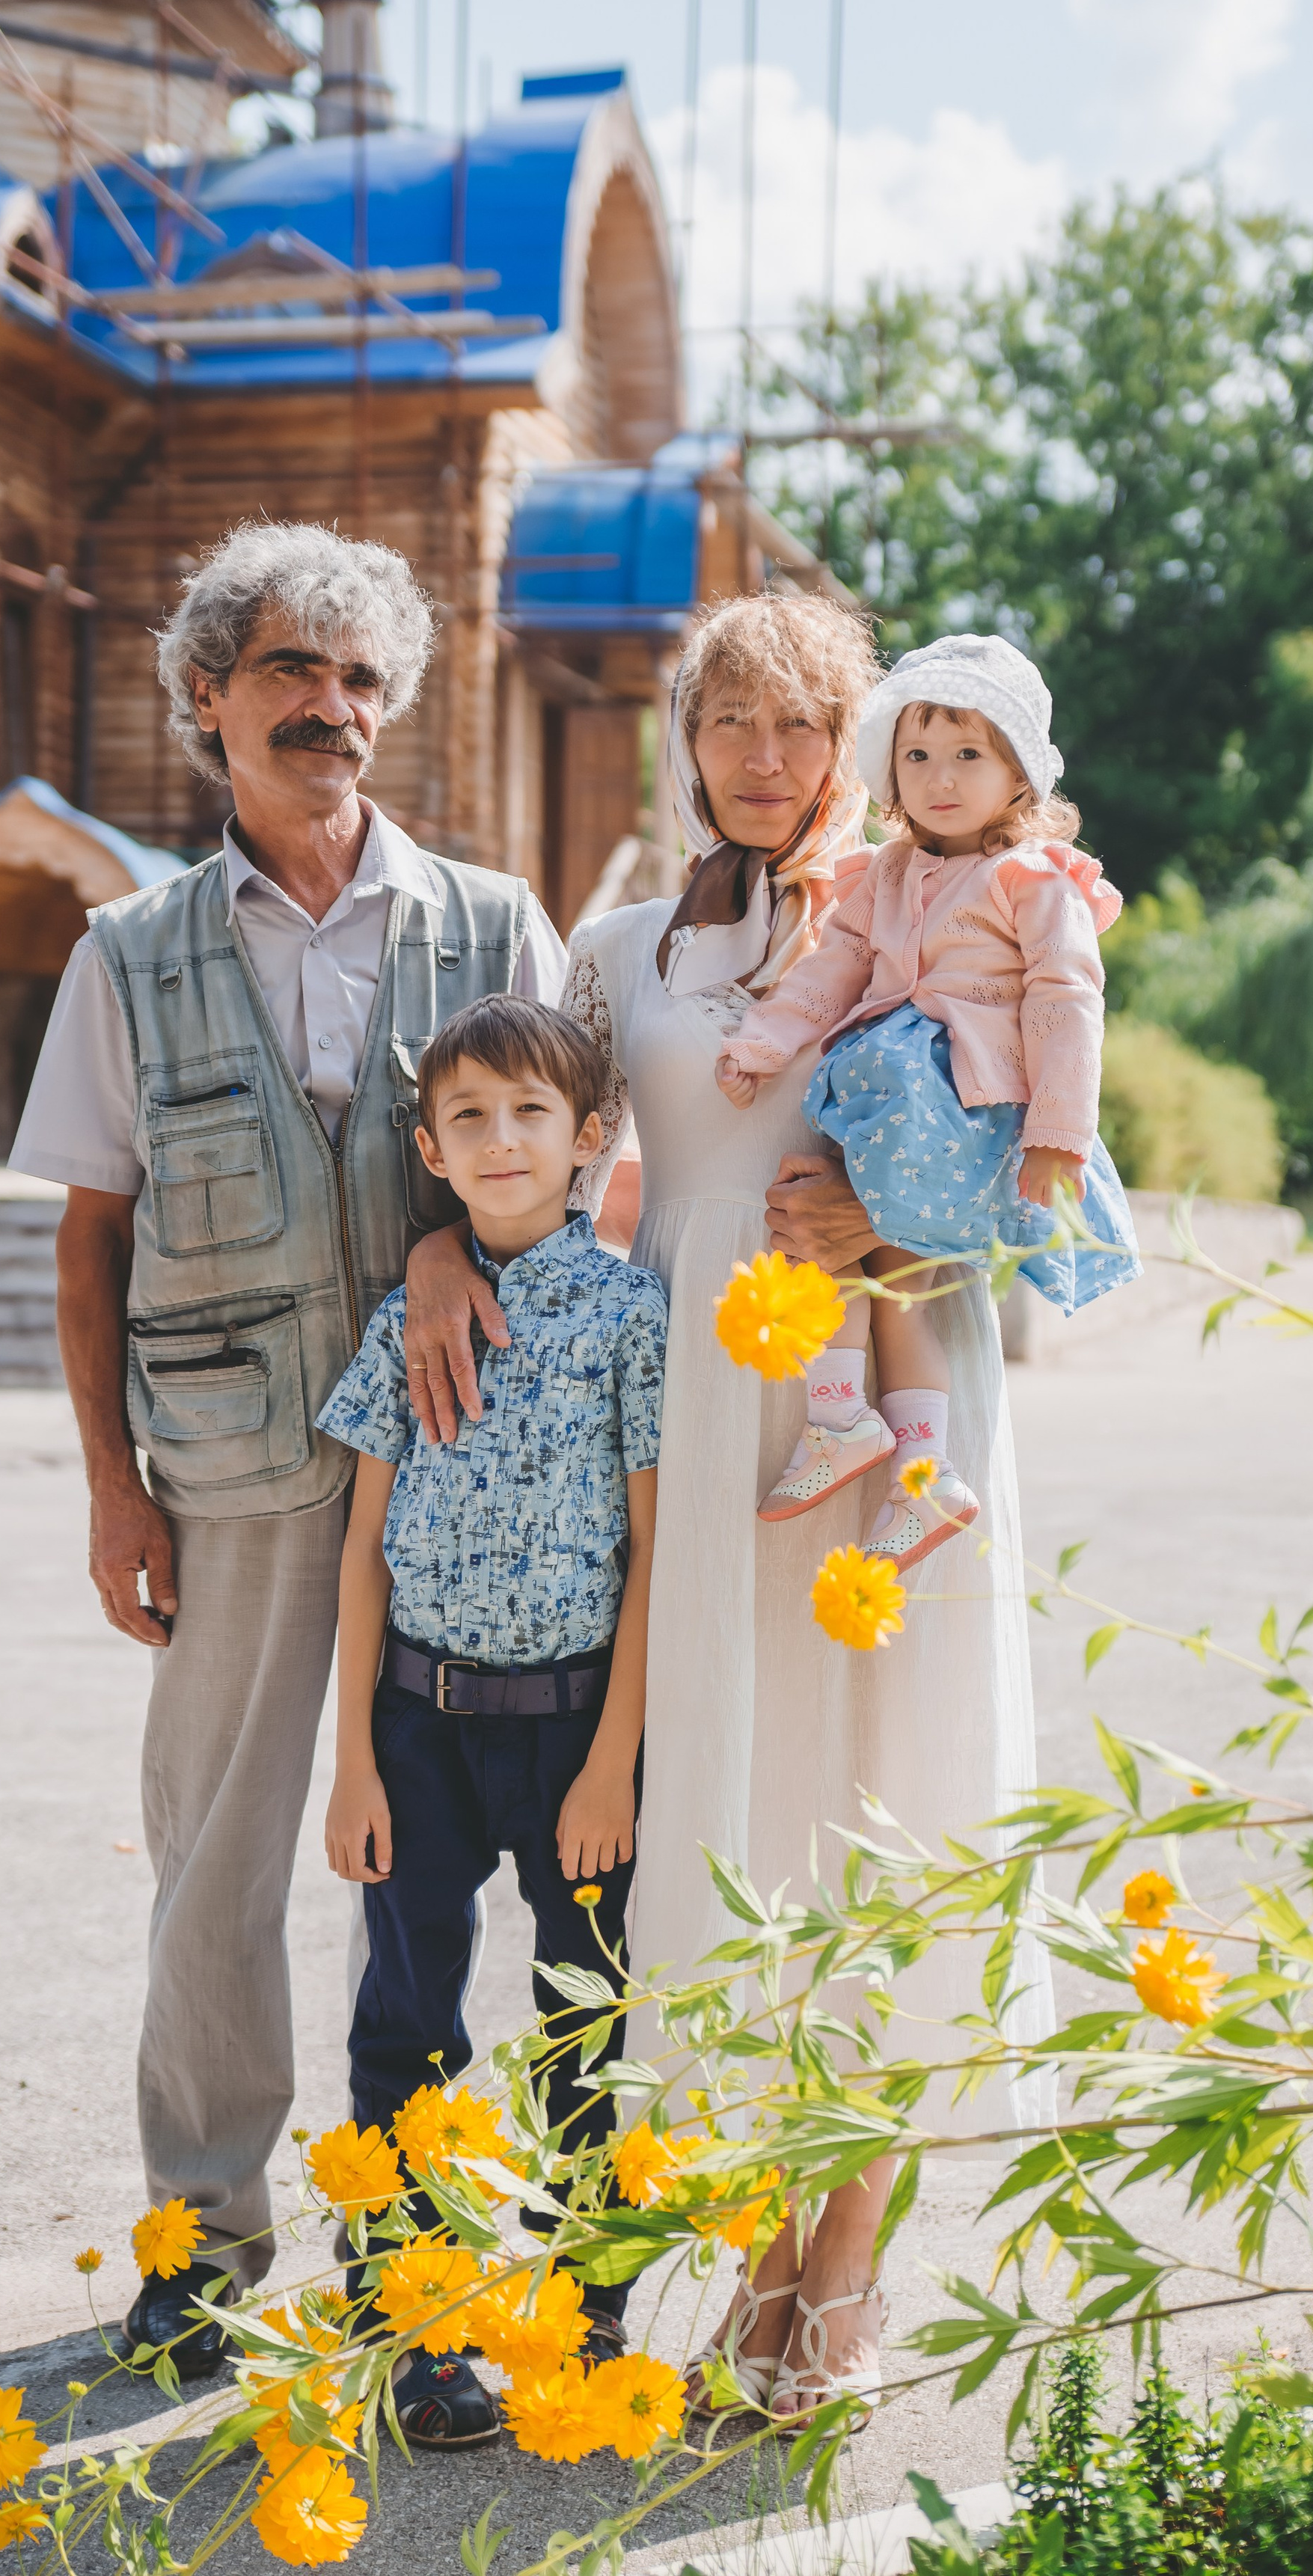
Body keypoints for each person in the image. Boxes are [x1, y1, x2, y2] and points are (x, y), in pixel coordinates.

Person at [400, 595, 1055, 2430]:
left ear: (861, 737)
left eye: (803, 724)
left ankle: (832, 2264)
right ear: (683, 738)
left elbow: (1030, 1169)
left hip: (887, 1377)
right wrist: (444, 1244)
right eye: (731, 722)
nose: (765, 758)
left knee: (878, 1789)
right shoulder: (619, 950)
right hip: (696, 1409)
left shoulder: (946, 907)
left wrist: (888, 1228)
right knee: (747, 1806)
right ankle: (758, 2236)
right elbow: (527, 1143)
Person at [8, 521, 566, 2380]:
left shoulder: (495, 922)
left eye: (356, 678)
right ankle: (206, 2234)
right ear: (206, 701)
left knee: (429, 1870)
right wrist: (110, 1483)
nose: (328, 708)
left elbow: (562, 1183)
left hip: (469, 1466)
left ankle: (412, 2240)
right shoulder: (124, 950)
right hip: (232, 1475)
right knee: (220, 1859)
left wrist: (438, 1240)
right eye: (285, 673)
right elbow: (90, 1228)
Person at [317, 995, 666, 2446]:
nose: (502, 1140)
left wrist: (608, 1765)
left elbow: (652, 1554)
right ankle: (417, 2317)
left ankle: (583, 2315)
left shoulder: (628, 1314)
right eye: (468, 1118)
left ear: (589, 1138)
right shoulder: (410, 1317)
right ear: (430, 1150)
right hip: (417, 1726)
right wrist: (350, 1763)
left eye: (531, 1113)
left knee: (581, 2021)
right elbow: (360, 1547)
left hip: (570, 1735)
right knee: (406, 2023)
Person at [716, 637, 1140, 1573]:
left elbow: (1067, 1001)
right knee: (864, 1249)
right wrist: (764, 1040)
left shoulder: (1031, 879)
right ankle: (897, 1452)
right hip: (890, 1104)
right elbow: (829, 972)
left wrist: (1058, 1135)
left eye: (967, 756)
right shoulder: (886, 873)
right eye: (916, 756)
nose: (938, 779)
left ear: (1017, 774)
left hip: (968, 1101)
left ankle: (868, 1434)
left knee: (874, 1245)